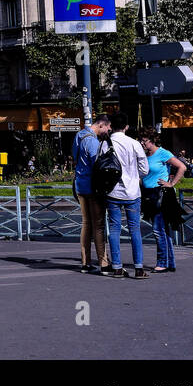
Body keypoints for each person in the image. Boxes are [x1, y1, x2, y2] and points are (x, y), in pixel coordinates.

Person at [104, 113, 149, 278]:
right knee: (135, 230)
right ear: (126, 127)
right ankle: (138, 268)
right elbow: (144, 169)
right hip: (132, 193)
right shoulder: (134, 143)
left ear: (111, 126)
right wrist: (134, 176)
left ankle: (116, 267)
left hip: (112, 192)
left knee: (114, 229)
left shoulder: (105, 144)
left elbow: (99, 165)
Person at [137, 127, 185, 273]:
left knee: (158, 230)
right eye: (141, 141)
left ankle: (162, 262)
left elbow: (181, 167)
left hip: (161, 194)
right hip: (149, 195)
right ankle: (169, 262)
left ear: (152, 141)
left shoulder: (162, 153)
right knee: (163, 230)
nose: (142, 144)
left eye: (144, 141)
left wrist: (171, 183)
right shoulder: (144, 155)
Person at [72, 113, 111, 274]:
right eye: (107, 129)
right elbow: (98, 164)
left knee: (86, 223)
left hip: (80, 185)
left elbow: (75, 157)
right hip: (92, 187)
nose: (107, 132)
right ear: (101, 124)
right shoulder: (93, 141)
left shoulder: (79, 135)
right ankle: (103, 262)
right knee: (98, 225)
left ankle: (85, 262)